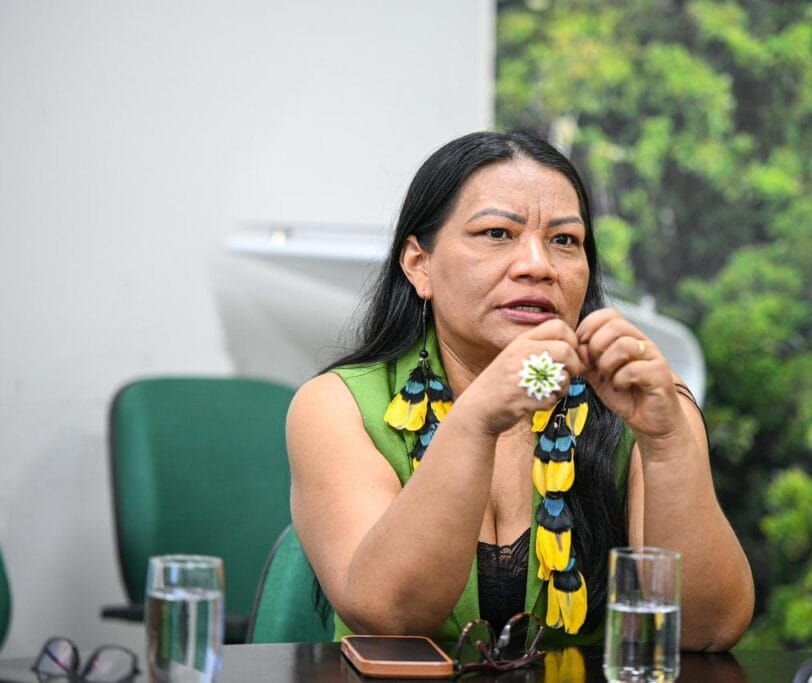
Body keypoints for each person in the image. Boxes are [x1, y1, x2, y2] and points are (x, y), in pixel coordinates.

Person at [286, 130, 754, 650]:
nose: (538, 265)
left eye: (564, 240)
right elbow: (391, 615)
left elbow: (708, 631)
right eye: (497, 233)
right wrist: (477, 418)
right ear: (420, 265)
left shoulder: (639, 400)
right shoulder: (336, 407)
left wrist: (666, 443)